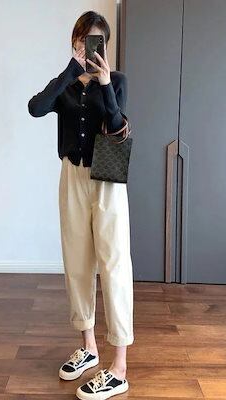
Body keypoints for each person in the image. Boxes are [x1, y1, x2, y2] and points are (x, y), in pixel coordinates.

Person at [28, 10, 134, 400]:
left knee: (114, 265)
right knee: (77, 262)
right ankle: (88, 346)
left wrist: (104, 85)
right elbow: (36, 107)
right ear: (74, 42)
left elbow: (118, 127)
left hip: (107, 176)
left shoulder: (117, 81)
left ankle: (119, 366)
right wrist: (70, 71)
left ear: (105, 44)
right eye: (84, 40)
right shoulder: (66, 85)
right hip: (72, 175)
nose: (90, 47)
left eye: (97, 41)